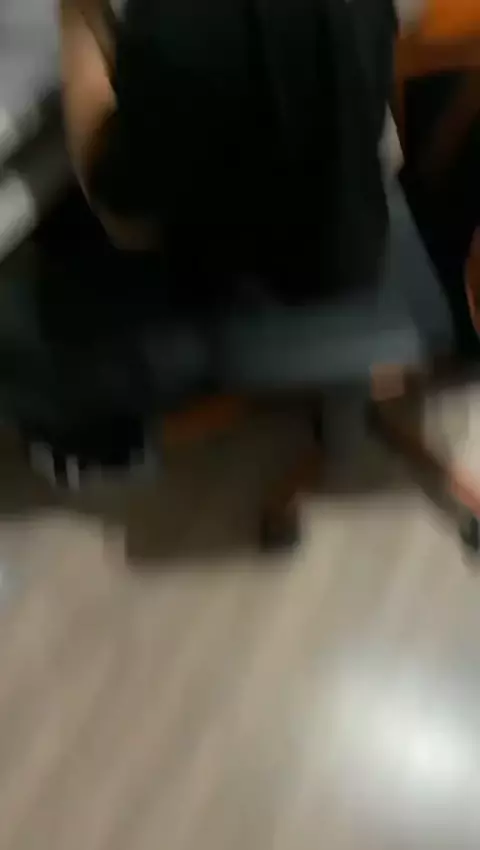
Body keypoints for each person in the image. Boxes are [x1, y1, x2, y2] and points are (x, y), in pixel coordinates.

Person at [23, 0, 395, 486]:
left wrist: (79, 24)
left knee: (20, 320)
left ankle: (107, 446)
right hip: (357, 232)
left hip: (261, 295)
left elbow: (124, 223)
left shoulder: (179, 29)